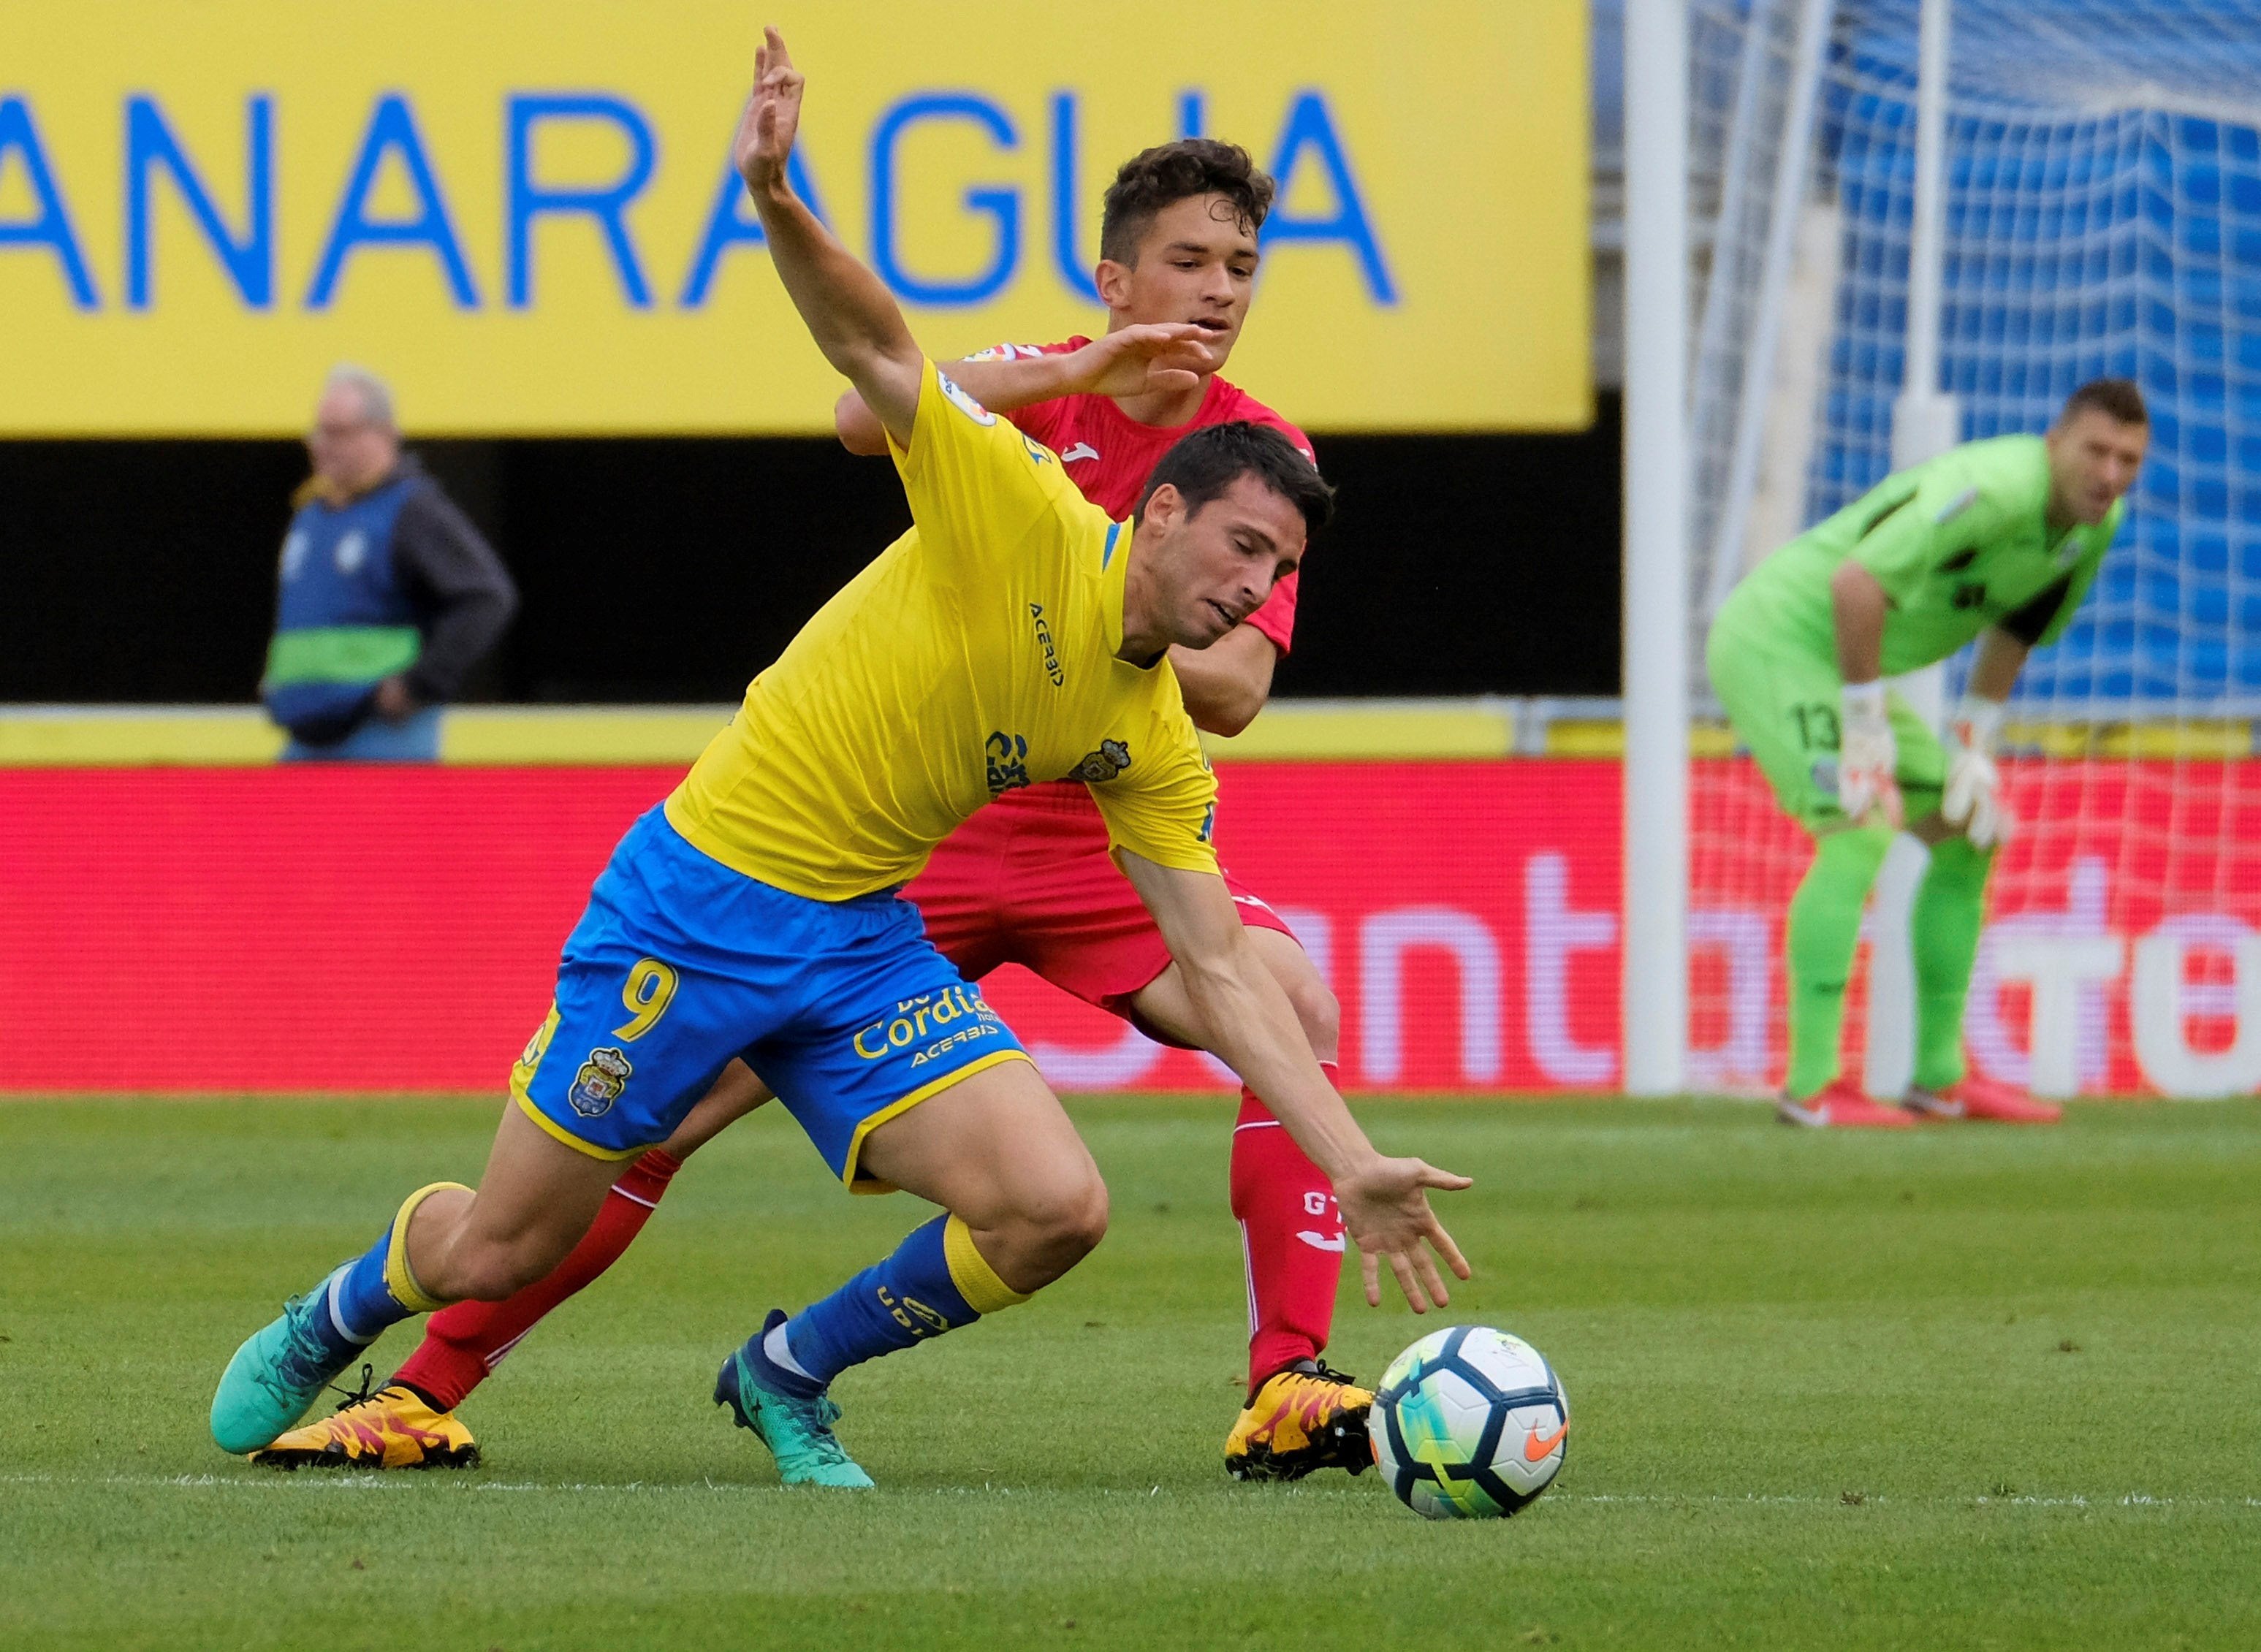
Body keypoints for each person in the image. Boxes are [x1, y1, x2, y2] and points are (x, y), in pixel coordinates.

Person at [210, 27, 1470, 1491]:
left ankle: (819, 1368)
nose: (1256, 585)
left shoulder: (1190, 622)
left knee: (1072, 1188)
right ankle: (387, 1349)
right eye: (1187, 260)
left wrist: (1355, 1159)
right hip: (727, 891)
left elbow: (1225, 877)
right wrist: (773, 194)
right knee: (526, 1218)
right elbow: (865, 365)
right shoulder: (1017, 480)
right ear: (1118, 285)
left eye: (1240, 265)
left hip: (905, 904)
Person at [1709, 379, 2150, 1127]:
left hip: (1843, 668)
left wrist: (1972, 739)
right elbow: (1856, 583)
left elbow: (2021, 624)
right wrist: (1863, 726)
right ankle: (1810, 1087)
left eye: (2128, 460)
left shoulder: (2095, 525)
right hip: (1778, 642)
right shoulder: (1994, 490)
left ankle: (1940, 1076)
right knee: (1859, 827)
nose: (2110, 474)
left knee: (1969, 830)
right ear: (2054, 444)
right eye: (2096, 451)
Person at [261, 365, 517, 761]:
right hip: (307, 737)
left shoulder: (412, 510)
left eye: (338, 433)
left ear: (382, 435)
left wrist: (419, 685)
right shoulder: (312, 513)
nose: (322, 446)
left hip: (382, 737)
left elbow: (486, 598)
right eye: (319, 432)